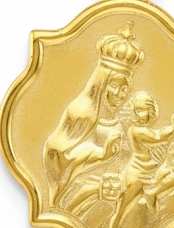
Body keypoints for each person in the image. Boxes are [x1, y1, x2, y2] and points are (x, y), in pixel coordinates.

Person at [43, 23, 144, 208]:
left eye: (124, 89)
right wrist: (101, 155)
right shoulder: (81, 113)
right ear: (101, 84)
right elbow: (57, 154)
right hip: (80, 196)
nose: (119, 94)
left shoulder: (123, 122)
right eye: (114, 86)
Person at [107, 91, 174, 228]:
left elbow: (159, 134)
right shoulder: (135, 130)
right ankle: (115, 227)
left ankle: (152, 193)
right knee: (125, 204)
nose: (139, 114)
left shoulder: (146, 129)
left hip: (152, 172)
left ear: (151, 112)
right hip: (137, 173)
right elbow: (157, 137)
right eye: (137, 110)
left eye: (143, 110)